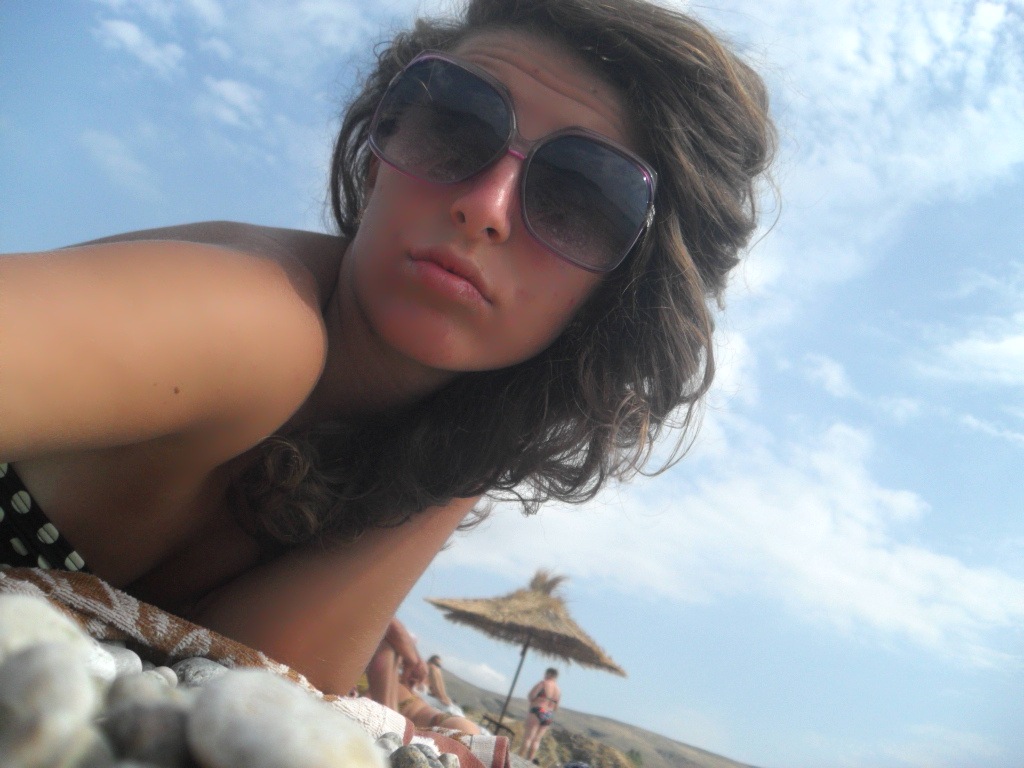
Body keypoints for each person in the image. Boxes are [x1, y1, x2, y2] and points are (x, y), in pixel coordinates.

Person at [0, 0, 775, 703]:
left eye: (580, 198)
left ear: (620, 296)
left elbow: (259, 691)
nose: (484, 206)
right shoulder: (259, 321)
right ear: (379, 152)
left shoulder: (420, 448)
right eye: (455, 125)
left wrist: (494, 437)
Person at [518, 668, 560, 761]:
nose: (544, 675)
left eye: (546, 674)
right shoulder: (558, 690)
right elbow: (556, 707)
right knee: (537, 740)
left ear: (549, 674)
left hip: (538, 709)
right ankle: (529, 760)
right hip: (549, 714)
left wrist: (537, 701)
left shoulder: (543, 683)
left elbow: (531, 696)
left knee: (528, 737)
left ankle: (519, 758)